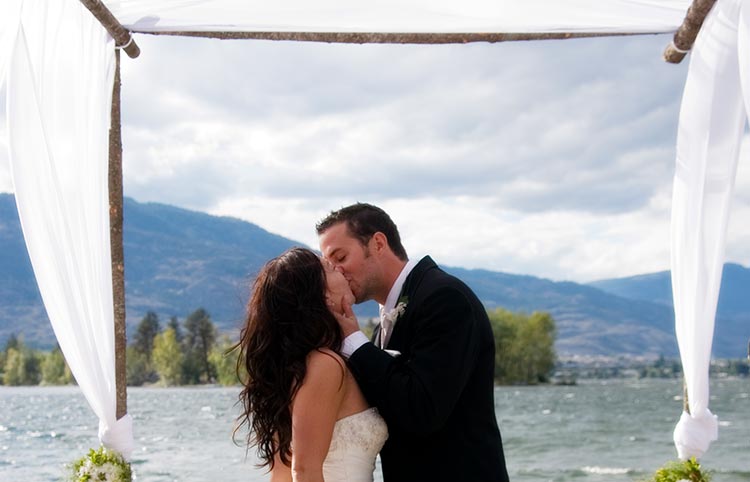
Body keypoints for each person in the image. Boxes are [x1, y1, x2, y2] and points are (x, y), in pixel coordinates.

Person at [317, 203, 509, 482]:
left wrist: (353, 343)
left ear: (378, 243)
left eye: (341, 257)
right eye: (330, 264)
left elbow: (423, 410)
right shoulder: (383, 324)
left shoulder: (444, 298)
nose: (337, 271)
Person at [235, 247, 388, 482]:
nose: (339, 268)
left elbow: (282, 472)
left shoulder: (305, 365)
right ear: (323, 296)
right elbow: (304, 470)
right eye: (329, 268)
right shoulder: (325, 365)